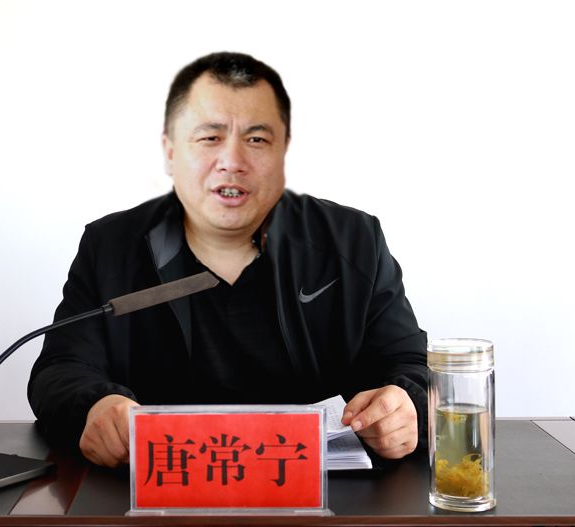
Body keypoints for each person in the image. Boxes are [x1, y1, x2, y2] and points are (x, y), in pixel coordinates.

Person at [28, 52, 428, 468]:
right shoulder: (111, 245)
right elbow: (60, 370)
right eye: (209, 138)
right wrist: (95, 406)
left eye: (257, 140)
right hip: (154, 483)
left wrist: (405, 405)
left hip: (326, 487)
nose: (232, 162)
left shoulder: (353, 241)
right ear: (170, 152)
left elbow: (411, 364)